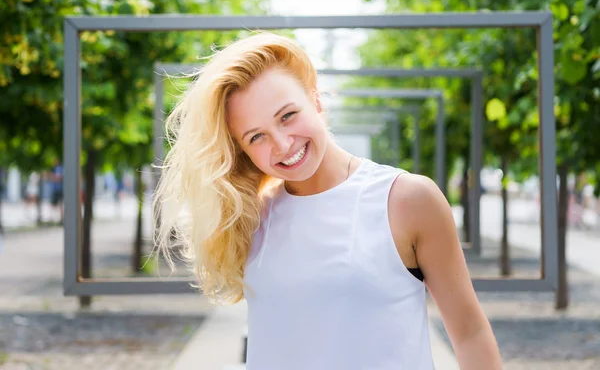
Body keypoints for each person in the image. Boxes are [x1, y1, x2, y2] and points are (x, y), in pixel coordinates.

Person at [153, 33, 502, 369]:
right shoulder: (251, 216)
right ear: (241, 151)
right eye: (256, 136)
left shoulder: (407, 200)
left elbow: (470, 333)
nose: (283, 144)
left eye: (287, 115)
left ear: (315, 99)